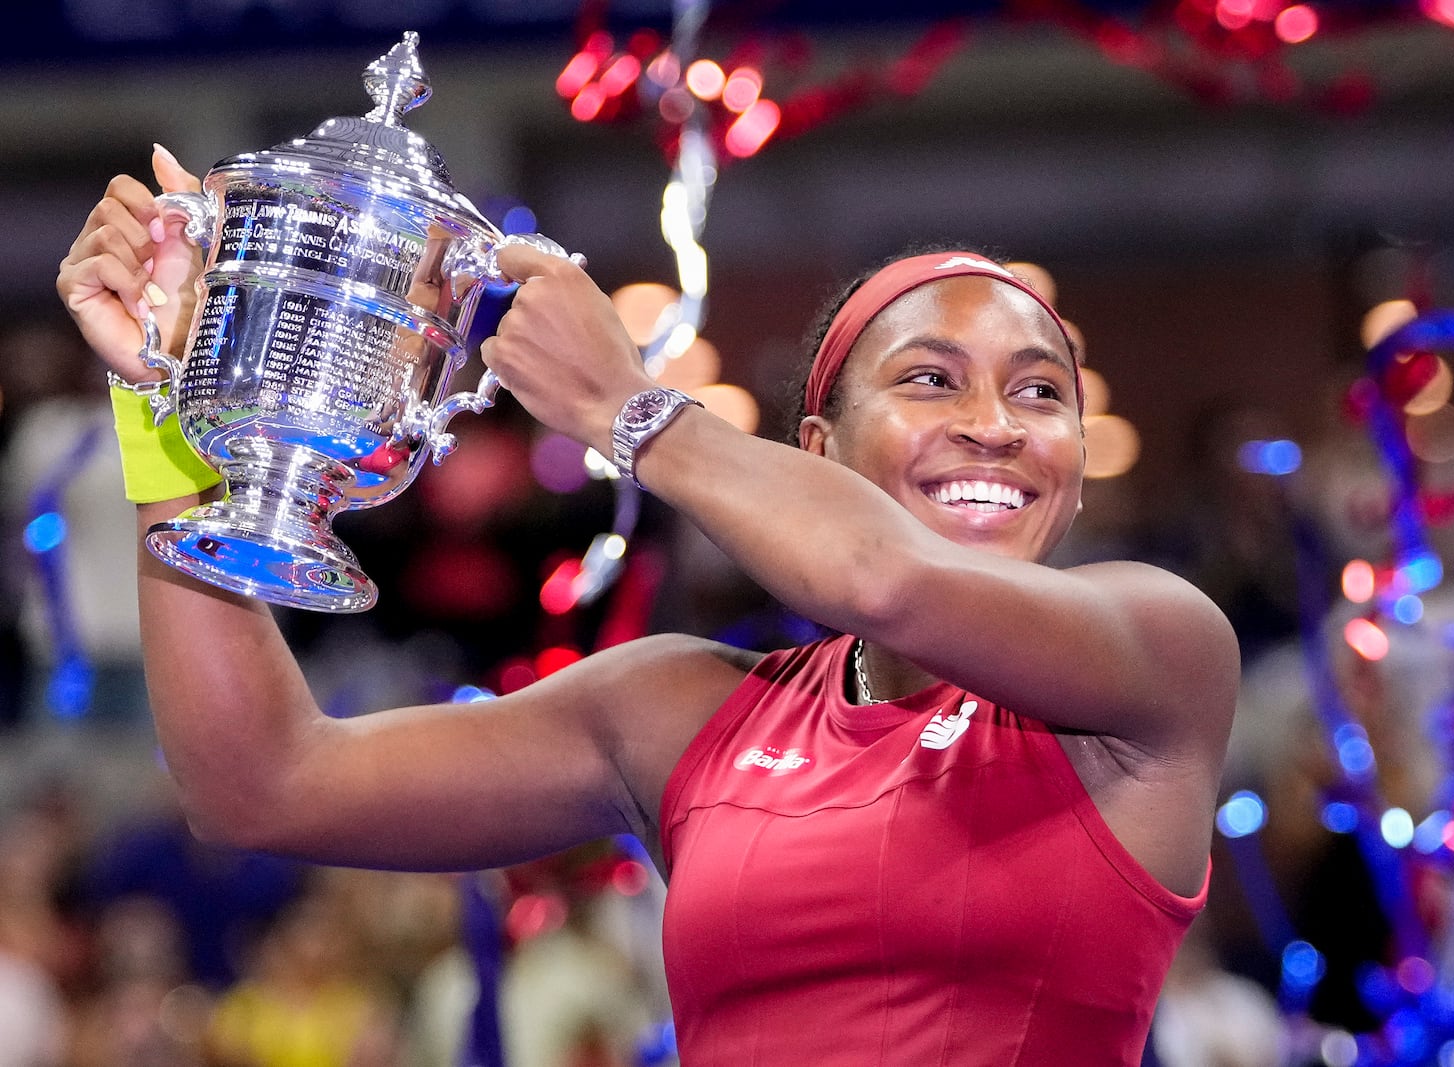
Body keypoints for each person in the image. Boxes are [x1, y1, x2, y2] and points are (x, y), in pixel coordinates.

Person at [55, 146, 1240, 1066]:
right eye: (931, 378)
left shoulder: (1156, 649)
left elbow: (881, 577)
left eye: (1041, 392)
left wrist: (629, 408)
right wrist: (166, 408)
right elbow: (260, 778)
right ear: (818, 445)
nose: (994, 421)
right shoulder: (682, 708)